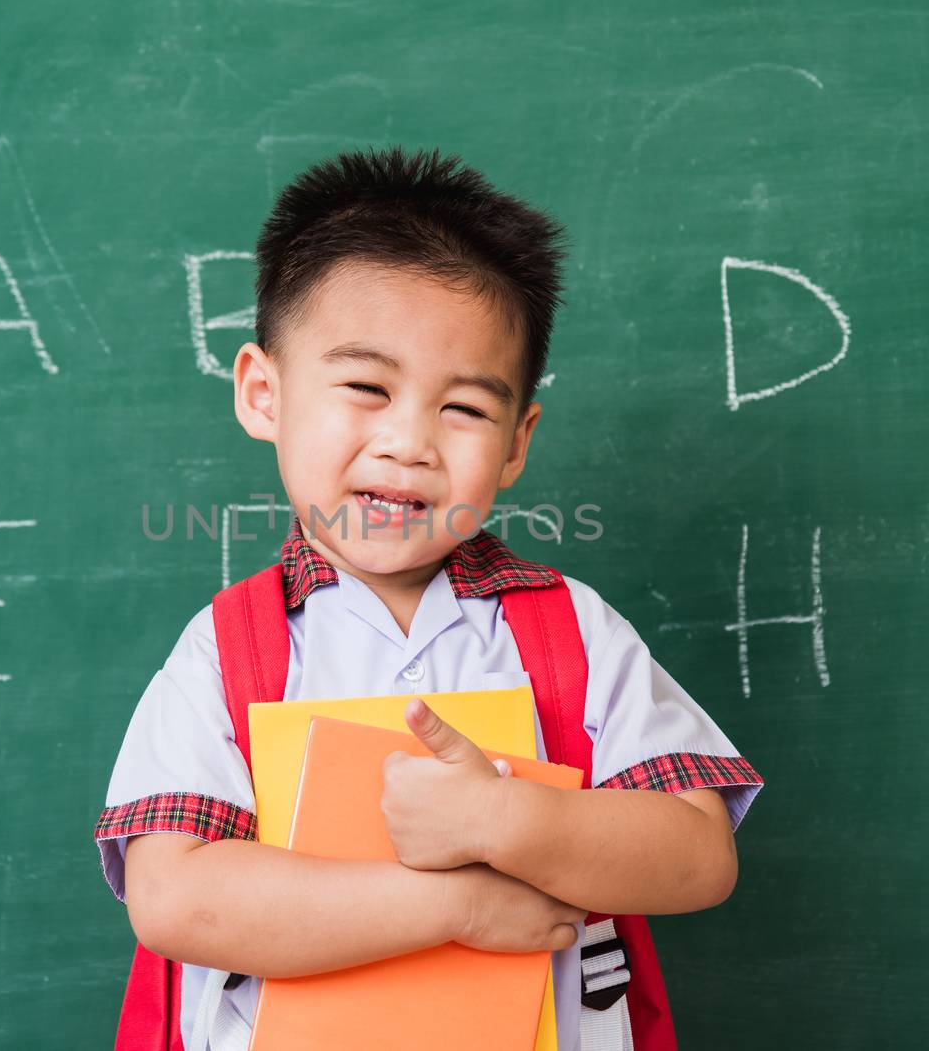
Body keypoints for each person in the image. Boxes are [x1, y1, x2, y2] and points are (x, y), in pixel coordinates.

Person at [94, 145, 763, 1050]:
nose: (409, 441)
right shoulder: (232, 648)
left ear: (519, 442)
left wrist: (506, 817)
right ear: (263, 393)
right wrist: (452, 906)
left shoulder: (568, 631)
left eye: (466, 410)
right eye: (367, 388)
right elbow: (175, 897)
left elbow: (698, 856)